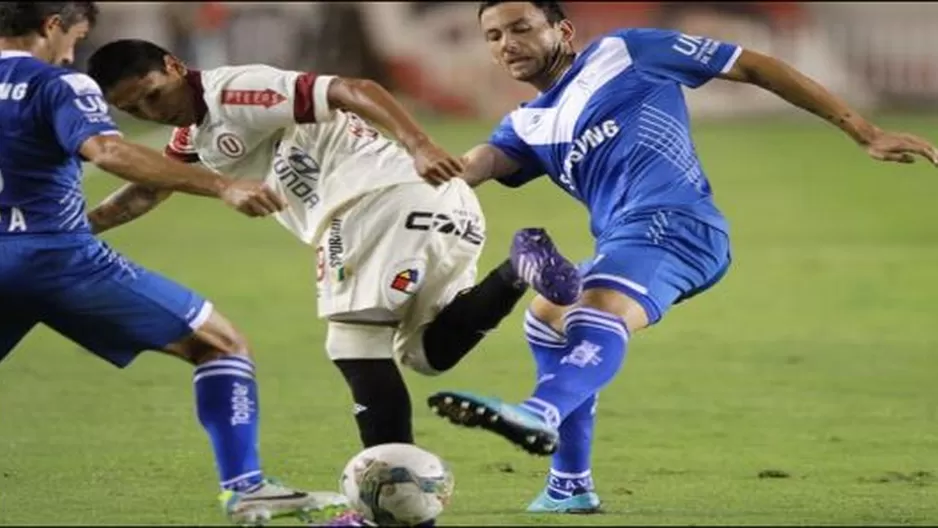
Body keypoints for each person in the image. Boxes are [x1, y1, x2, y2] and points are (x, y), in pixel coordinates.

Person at [426, 0, 938, 514]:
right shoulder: (528, 123)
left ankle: (541, 412)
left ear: (561, 30)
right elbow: (477, 163)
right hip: (628, 238)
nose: (507, 43)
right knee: (547, 318)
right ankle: (568, 486)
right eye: (493, 36)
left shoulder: (626, 50)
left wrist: (863, 130)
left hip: (677, 224)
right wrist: (409, 168)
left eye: (521, 28)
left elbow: (755, 65)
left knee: (592, 309)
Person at [82, 39, 582, 461]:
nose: (152, 112)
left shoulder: (233, 90)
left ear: (173, 66)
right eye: (134, 110)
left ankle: (393, 502)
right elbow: (151, 187)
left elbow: (353, 89)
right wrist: (78, 226)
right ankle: (518, 267)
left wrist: (419, 143)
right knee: (426, 354)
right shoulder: (195, 128)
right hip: (437, 204)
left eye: (153, 95)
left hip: (377, 200)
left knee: (353, 346)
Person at [0, 2, 350, 525]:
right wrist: (224, 183)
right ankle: (246, 487)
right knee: (219, 343)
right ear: (52, 26)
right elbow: (109, 152)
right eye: (75, 38)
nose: (73, 52)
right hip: (59, 258)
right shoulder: (60, 84)